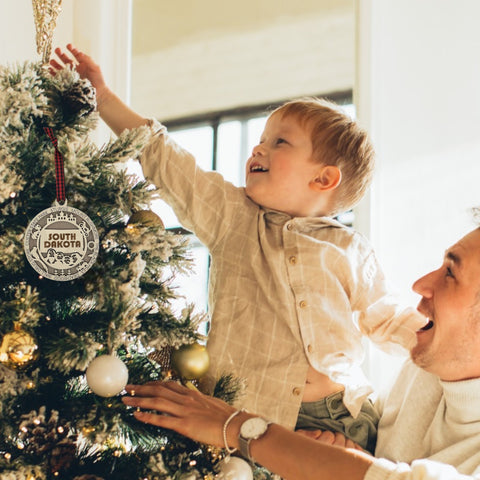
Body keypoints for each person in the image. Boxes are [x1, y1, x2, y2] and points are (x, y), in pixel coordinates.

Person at [51, 45, 426, 453]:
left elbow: (386, 318)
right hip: (245, 413)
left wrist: (443, 340)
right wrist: (103, 97)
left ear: (323, 179)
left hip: (338, 416)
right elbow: (167, 160)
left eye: (280, 142)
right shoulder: (234, 218)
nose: (257, 148)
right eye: (261, 139)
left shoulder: (349, 248)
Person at [122, 224, 480, 479]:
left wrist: (236, 426)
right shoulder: (427, 367)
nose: (421, 285)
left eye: (450, 273)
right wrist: (352, 455)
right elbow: (382, 464)